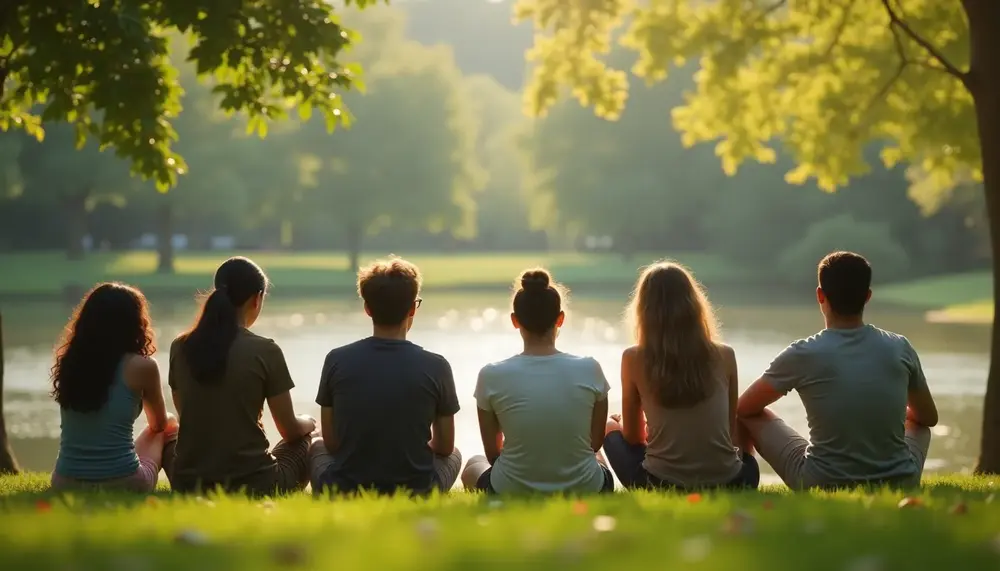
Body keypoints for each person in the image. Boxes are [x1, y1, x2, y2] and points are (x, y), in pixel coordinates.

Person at [736, 251, 938, 490]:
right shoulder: (900, 347)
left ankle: (742, 478)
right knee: (919, 426)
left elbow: (744, 407)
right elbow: (928, 418)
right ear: (868, 297)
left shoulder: (803, 353)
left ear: (820, 295)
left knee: (748, 414)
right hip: (901, 480)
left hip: (820, 481)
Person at [309, 256, 462, 496]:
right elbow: (444, 446)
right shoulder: (437, 366)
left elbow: (332, 442)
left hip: (345, 487)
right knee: (455, 454)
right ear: (412, 308)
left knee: (316, 444)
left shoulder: (336, 360)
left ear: (367, 308)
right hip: (417, 489)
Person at [603, 262, 759, 490]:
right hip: (735, 482)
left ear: (643, 310)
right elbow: (728, 427)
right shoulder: (725, 354)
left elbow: (634, 438)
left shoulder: (633, 358)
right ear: (694, 305)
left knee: (608, 425)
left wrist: (626, 423)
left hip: (659, 483)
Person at [167, 257, 315, 496]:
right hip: (256, 482)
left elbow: (187, 414)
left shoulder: (179, 347)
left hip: (189, 481)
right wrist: (310, 421)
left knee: (167, 436)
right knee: (307, 440)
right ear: (256, 299)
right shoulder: (265, 350)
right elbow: (289, 429)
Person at [460, 269, 614, 495]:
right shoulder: (590, 368)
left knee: (474, 464)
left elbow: (493, 454)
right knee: (596, 458)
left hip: (509, 488)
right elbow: (594, 444)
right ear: (560, 318)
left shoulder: (491, 374)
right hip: (587, 487)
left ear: (515, 320)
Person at [50, 283, 177, 492]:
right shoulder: (142, 366)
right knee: (170, 423)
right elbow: (159, 425)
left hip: (64, 482)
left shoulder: (71, 363)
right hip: (122, 481)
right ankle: (183, 486)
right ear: (135, 323)